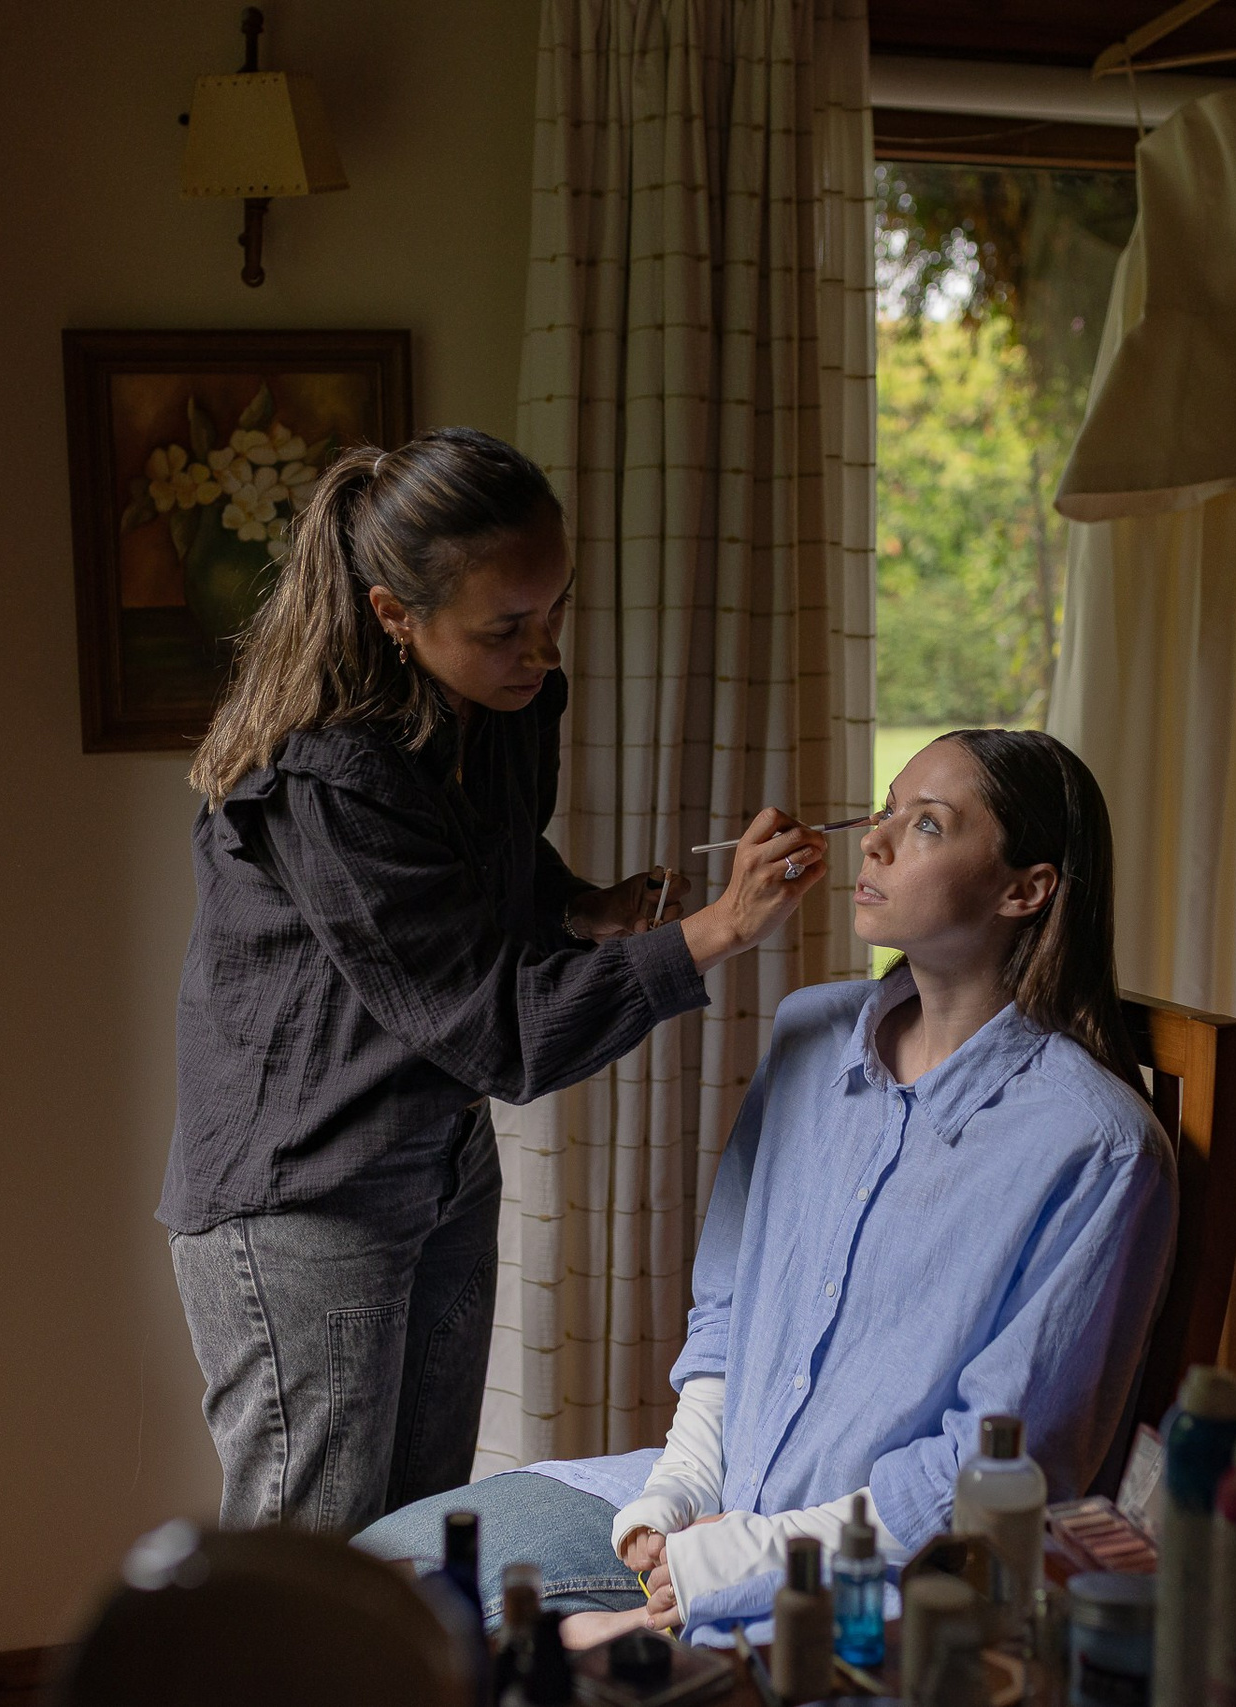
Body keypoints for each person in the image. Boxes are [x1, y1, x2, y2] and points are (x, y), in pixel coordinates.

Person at [355, 730, 1178, 1641]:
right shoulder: (809, 1032)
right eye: (886, 809)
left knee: (434, 1648)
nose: (876, 840)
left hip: (880, 1577)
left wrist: (742, 1558)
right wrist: (679, 1492)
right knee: (360, 1591)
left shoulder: (1096, 1148)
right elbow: (727, 1317)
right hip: (699, 1498)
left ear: (1027, 888)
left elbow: (992, 1469)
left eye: (929, 824)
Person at [165, 426, 828, 1537]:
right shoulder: (329, 778)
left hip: (439, 1163)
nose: (544, 650)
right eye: (507, 628)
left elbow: (488, 874)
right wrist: (715, 930)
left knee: (418, 1537)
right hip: (303, 1199)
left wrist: (581, 906)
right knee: (308, 1571)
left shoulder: (506, 710)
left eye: (555, 611)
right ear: (393, 615)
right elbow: (496, 1037)